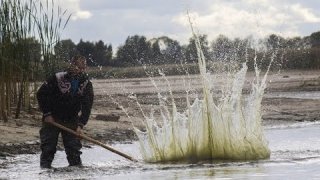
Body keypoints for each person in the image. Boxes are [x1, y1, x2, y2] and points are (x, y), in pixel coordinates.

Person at [37, 55, 94, 168]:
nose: (80, 69)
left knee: (74, 153)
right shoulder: (58, 78)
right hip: (52, 119)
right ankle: (44, 173)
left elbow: (87, 107)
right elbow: (41, 94)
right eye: (78, 66)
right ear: (71, 65)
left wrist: (80, 125)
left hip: (71, 120)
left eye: (83, 67)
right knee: (48, 149)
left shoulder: (86, 84)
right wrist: (47, 114)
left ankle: (76, 174)